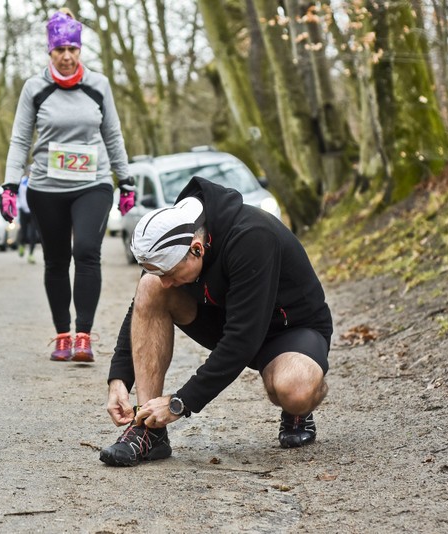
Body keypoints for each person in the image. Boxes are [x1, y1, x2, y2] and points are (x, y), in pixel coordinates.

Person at [99, 177, 333, 467]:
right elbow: (140, 307)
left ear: (197, 249)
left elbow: (242, 339)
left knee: (293, 390)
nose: (167, 283)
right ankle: (148, 430)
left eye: (170, 274)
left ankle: (298, 409)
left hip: (289, 329)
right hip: (228, 318)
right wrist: (119, 379)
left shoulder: (252, 236)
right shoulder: (174, 233)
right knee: (149, 286)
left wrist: (179, 403)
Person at [0, 9, 136, 362]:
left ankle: (84, 336)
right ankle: (63, 335)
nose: (66, 56)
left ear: (80, 50)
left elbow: (113, 135)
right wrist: (10, 185)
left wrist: (126, 180)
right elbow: (20, 140)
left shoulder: (98, 85)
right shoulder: (35, 88)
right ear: (50, 51)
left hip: (93, 183)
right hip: (47, 187)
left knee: (87, 251)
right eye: (59, 49)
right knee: (56, 260)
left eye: (72, 49)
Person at [17, 173, 39, 264]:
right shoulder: (22, 181)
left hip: (33, 211)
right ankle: (21, 244)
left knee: (33, 233)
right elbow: (17, 195)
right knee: (24, 231)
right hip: (23, 210)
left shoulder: (37, 181)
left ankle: (31, 254)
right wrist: (18, 206)